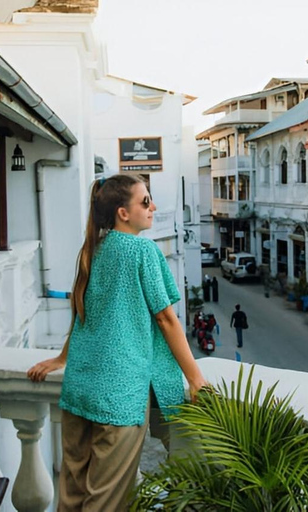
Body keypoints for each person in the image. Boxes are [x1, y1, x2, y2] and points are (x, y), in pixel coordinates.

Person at [26, 174, 207, 511]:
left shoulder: (94, 249)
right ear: (123, 213)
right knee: (106, 503)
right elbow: (166, 319)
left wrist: (63, 358)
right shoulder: (142, 250)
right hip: (119, 396)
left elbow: (85, 313)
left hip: (80, 388)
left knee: (72, 496)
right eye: (145, 201)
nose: (153, 207)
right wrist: (195, 379)